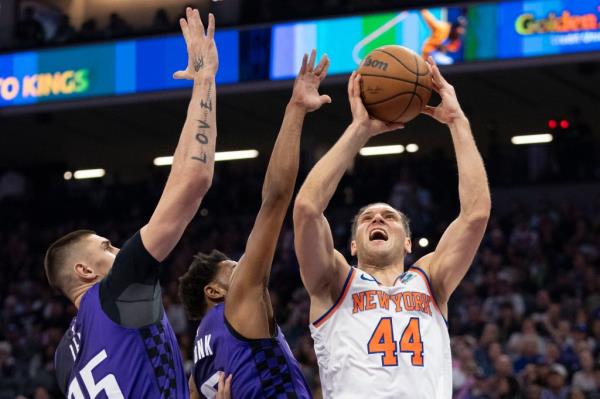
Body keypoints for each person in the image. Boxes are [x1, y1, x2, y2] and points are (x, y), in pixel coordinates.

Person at [44, 8, 219, 397]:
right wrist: (205, 80)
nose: (119, 249)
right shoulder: (118, 287)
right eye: (106, 247)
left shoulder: (62, 359)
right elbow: (193, 179)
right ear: (85, 270)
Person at [293, 57, 491, 398]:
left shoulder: (431, 279)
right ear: (352, 246)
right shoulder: (335, 280)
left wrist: (457, 121)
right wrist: (359, 131)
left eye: (389, 217)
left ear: (409, 243)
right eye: (367, 218)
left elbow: (475, 216)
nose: (378, 219)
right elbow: (308, 209)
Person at [178, 49, 331, 398]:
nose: (245, 266)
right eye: (234, 267)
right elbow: (275, 199)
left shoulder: (196, 368)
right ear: (214, 291)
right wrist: (295, 110)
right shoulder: (238, 303)